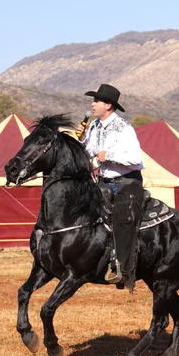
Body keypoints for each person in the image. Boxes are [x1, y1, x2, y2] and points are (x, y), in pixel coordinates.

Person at [76, 83, 145, 289]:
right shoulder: (94, 126)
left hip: (127, 183)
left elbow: (136, 159)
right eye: (93, 100)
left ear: (108, 105)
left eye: (96, 101)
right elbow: (90, 153)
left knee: (122, 223)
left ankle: (123, 270)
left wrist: (108, 156)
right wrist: (80, 140)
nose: (92, 104)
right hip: (104, 183)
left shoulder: (124, 128)